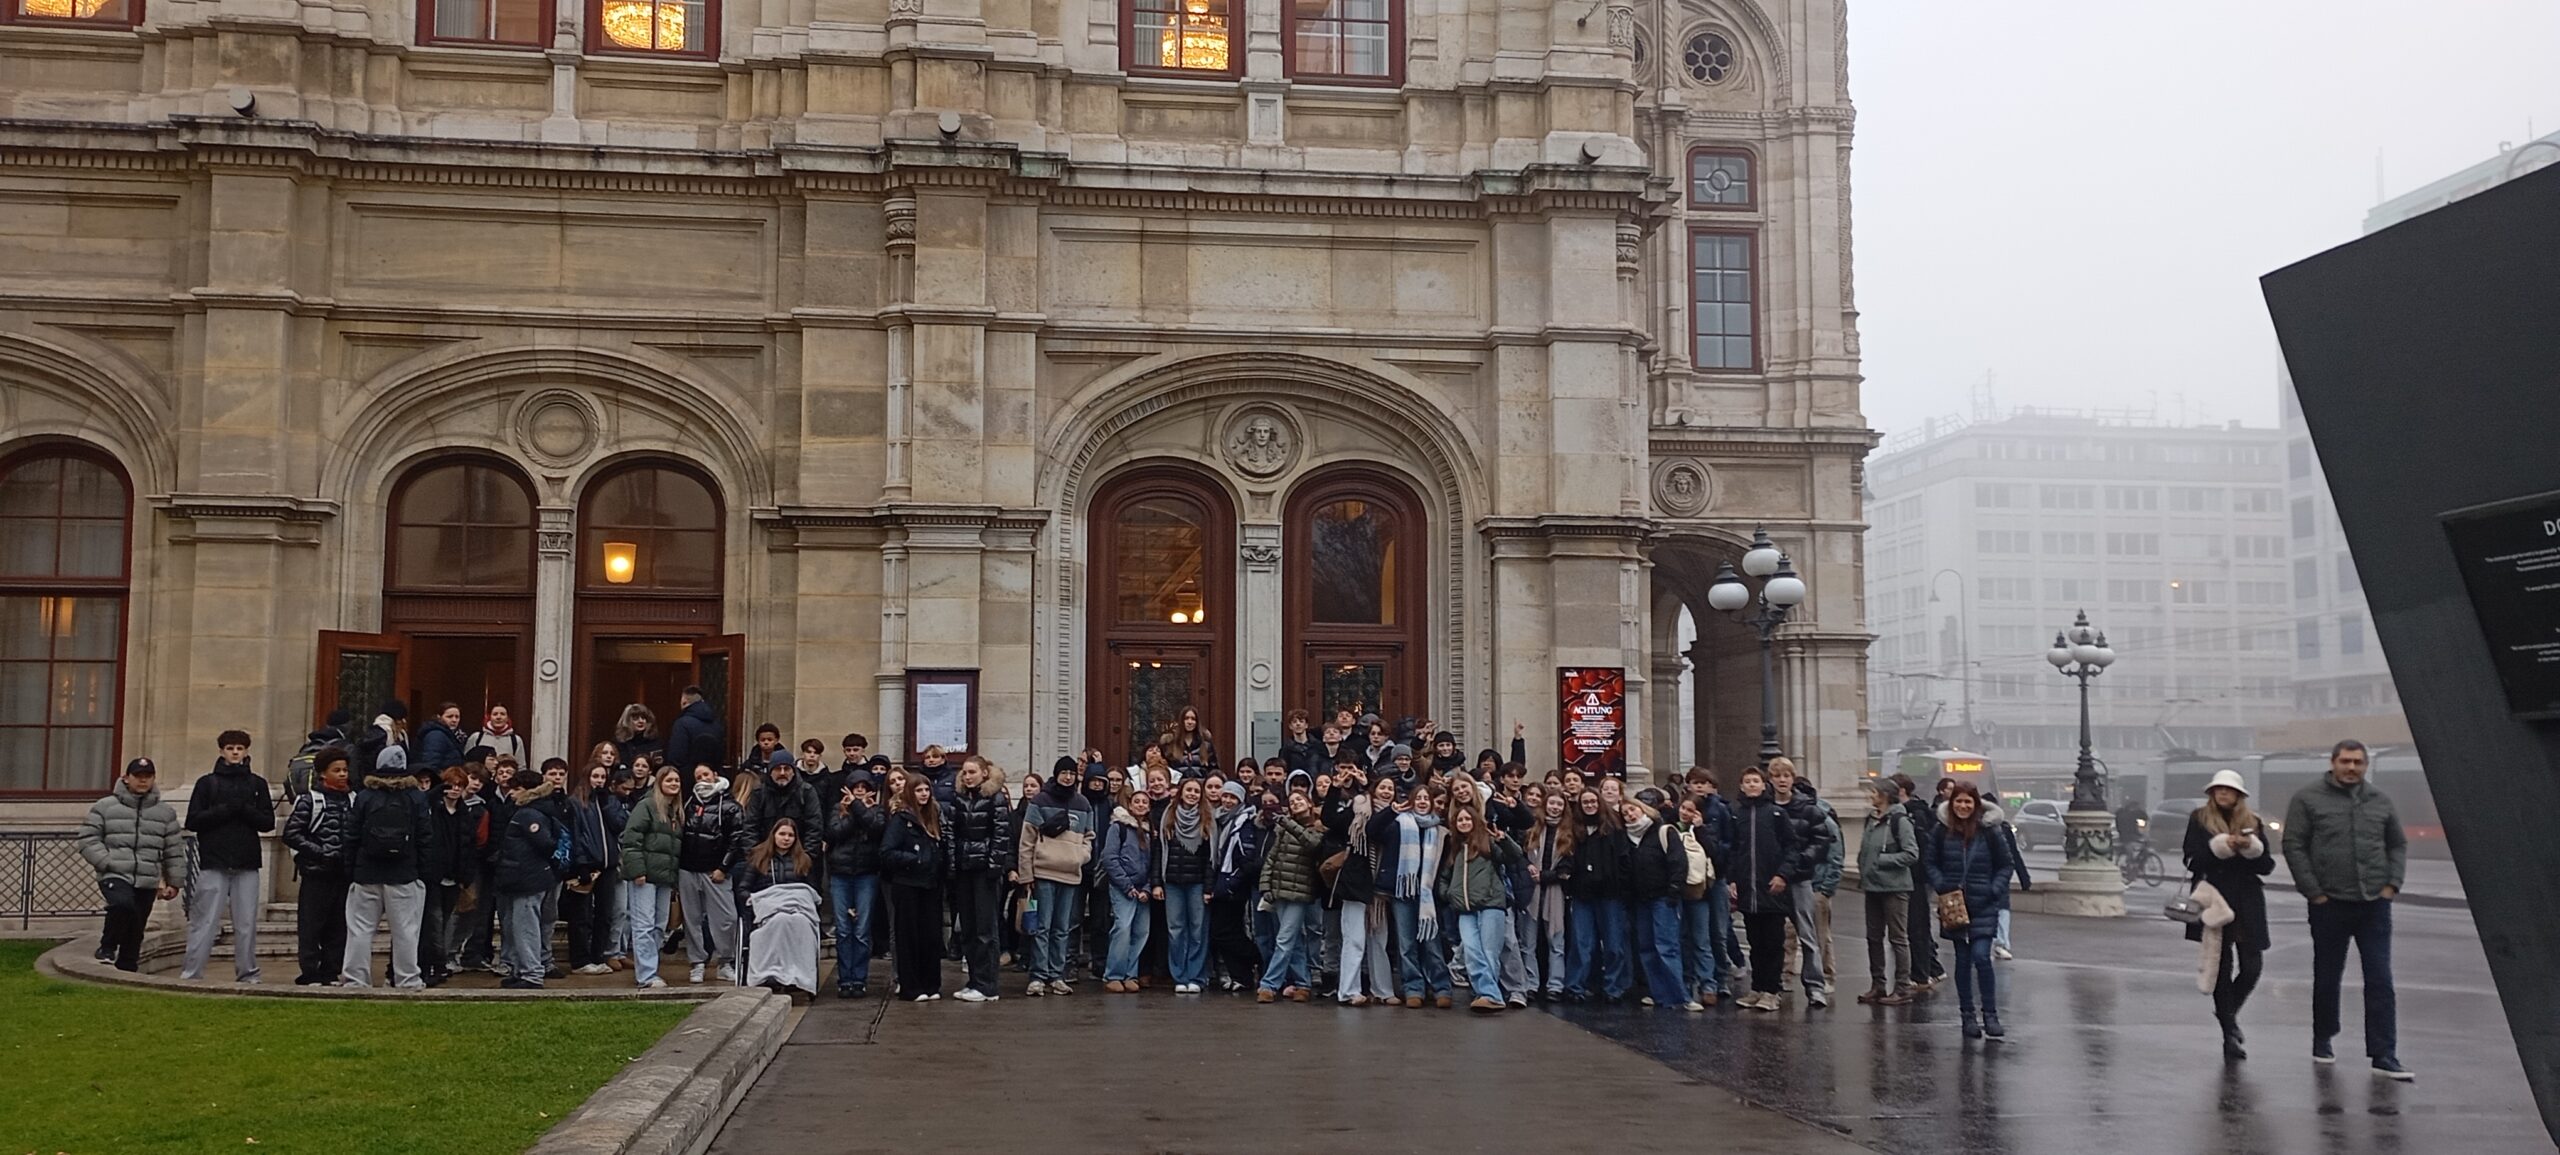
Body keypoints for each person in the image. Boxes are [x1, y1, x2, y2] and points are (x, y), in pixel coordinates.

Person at [2281, 739, 2411, 1079]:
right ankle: (2323, 1037)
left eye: (2358, 762)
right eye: (2345, 761)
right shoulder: (2307, 799)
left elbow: (2397, 844)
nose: (2351, 768)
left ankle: (2384, 1054)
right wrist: (2314, 892)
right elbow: (2293, 845)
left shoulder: (2380, 801)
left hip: (2374, 905)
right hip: (2329, 905)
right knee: (2328, 976)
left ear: (2366, 766)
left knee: (2380, 979)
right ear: (2333, 763)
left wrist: (2392, 885)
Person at [2185, 768, 2275, 1060]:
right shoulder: (2199, 819)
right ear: (2212, 793)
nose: (2223, 793)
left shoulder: (2253, 822)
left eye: (2229, 789)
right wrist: (2221, 847)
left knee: (2252, 967)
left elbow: (2267, 866)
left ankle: (2228, 1013)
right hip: (2214, 900)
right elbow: (2192, 859)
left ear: (2238, 795)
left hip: (2247, 901)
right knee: (2221, 968)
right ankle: (2229, 1035)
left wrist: (2250, 849)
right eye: (2218, 789)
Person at [77, 758, 188, 973]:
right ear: (126, 778)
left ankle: (128, 970)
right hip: (114, 873)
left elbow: (173, 849)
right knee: (122, 905)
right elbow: (88, 839)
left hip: (147, 877)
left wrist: (174, 882)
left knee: (136, 927)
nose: (143, 781)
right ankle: (107, 947)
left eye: (148, 776)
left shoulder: (165, 813)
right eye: (138, 776)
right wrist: (107, 862)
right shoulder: (105, 807)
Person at [182, 728, 272, 983]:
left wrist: (245, 810)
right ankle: (192, 973)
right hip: (214, 860)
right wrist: (223, 810)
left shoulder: (257, 784)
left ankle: (248, 973)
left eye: (239, 748)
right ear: (222, 751)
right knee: (205, 920)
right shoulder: (207, 783)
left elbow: (267, 822)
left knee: (246, 924)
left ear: (246, 751)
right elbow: (193, 820)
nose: (235, 753)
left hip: (246, 861)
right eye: (230, 748)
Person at [339, 745, 434, 989]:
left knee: (360, 930)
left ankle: (355, 979)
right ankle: (408, 979)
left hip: (367, 873)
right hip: (404, 873)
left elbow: (351, 835)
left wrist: (352, 870)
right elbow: (425, 838)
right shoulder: (415, 797)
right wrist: (422, 872)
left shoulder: (365, 796)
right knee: (406, 931)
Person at [1926, 780, 2013, 1040]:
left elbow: (2005, 864)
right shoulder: (1941, 831)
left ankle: (1990, 1015)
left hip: (1983, 904)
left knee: (1982, 957)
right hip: (1954, 906)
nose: (1963, 806)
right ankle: (1967, 1016)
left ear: (1976, 804)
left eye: (1968, 801)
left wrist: (1993, 890)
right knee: (1962, 961)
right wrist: (1942, 885)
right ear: (1951, 803)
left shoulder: (1990, 831)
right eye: (1959, 801)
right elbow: (1930, 862)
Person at [1018, 756, 1098, 996]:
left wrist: (1080, 856)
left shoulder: (1083, 803)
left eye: (1072, 773)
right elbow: (1027, 839)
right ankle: (1038, 976)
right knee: (1042, 926)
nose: (1068, 777)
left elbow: (1089, 836)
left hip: (1070, 873)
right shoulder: (1040, 800)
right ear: (1056, 774)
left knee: (1062, 928)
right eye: (1064, 772)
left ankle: (1057, 975)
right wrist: (1026, 874)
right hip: (1043, 871)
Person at [282, 746, 355, 984]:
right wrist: (321, 853)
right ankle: (310, 971)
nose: (342, 774)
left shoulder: (353, 800)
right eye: (337, 770)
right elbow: (292, 834)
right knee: (311, 926)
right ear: (323, 773)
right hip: (317, 874)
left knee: (339, 926)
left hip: (343, 874)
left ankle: (331, 970)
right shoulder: (310, 800)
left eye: (345, 770)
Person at [1439, 802, 1521, 1013]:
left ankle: (1488, 995)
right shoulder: (1454, 848)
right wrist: (1448, 894)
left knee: (1489, 952)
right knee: (1472, 951)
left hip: (1490, 905)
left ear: (1475, 821)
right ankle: (1488, 994)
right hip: (1465, 908)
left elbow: (1513, 856)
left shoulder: (1488, 842)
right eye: (1460, 820)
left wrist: (1503, 839)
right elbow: (1445, 877)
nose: (1464, 822)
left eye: (1468, 819)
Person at [1727, 766, 1796, 1011]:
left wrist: (1782, 875)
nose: (1752, 785)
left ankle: (1772, 990)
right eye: (1747, 781)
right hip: (1748, 888)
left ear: (1763, 785)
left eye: (1756, 781)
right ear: (1742, 786)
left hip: (1772, 887)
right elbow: (1734, 849)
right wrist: (1733, 879)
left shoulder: (1776, 814)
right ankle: (1757, 987)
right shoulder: (1737, 815)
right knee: (1755, 942)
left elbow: (1791, 847)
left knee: (1773, 942)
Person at [1766, 758, 1834, 1008]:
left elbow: (1822, 841)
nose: (1782, 780)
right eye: (1777, 776)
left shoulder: (1809, 809)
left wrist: (1799, 862)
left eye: (1786, 775)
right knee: (1771, 937)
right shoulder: (1765, 807)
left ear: (1793, 779)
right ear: (1770, 779)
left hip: (1799, 878)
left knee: (1807, 934)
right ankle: (1771, 985)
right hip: (1772, 879)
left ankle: (1815, 987)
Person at [494, 765, 569, 989]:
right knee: (518, 926)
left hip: (527, 878)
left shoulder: (529, 814)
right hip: (523, 877)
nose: (511, 793)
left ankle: (532, 973)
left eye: (515, 788)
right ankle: (521, 969)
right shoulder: (535, 811)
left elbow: (545, 843)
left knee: (526, 927)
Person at [946, 756, 1014, 1002]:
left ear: (984, 773)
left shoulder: (995, 798)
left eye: (972, 772)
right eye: (964, 772)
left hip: (985, 871)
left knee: (986, 930)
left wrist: (994, 867)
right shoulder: (959, 797)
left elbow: (1001, 835)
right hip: (965, 867)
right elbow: (951, 831)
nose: (967, 776)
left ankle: (988, 985)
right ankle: (974, 980)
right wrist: (953, 863)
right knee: (969, 929)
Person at [1621, 791, 1695, 1011]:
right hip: (1641, 900)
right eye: (1625, 813)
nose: (1630, 815)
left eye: (1632, 809)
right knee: (1647, 948)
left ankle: (1679, 996)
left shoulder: (1664, 831)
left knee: (1667, 947)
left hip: (1664, 898)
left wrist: (1674, 890)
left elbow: (1678, 862)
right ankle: (1659, 993)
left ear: (1643, 809)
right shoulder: (1628, 838)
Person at [1328, 772, 1395, 1006]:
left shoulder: (1396, 815)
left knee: (1379, 940)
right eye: (1382, 787)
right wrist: (1334, 789)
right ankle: (1348, 991)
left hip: (1380, 884)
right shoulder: (1359, 809)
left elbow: (1380, 833)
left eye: (1390, 789)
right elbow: (1330, 820)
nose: (1386, 792)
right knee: (1354, 938)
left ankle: (1382, 990)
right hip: (1356, 881)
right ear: (1373, 790)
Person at [880, 774, 948, 1001]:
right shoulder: (901, 819)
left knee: (931, 936)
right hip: (907, 884)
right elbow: (887, 852)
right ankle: (911, 987)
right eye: (919, 790)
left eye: (926, 790)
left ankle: (931, 984)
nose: (924, 794)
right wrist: (914, 859)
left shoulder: (934, 816)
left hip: (931, 884)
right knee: (908, 936)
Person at [736, 816, 822, 996]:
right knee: (779, 921)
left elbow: (812, 891)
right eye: (782, 834)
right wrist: (754, 900)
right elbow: (743, 889)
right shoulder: (758, 858)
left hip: (798, 908)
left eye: (790, 835)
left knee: (800, 923)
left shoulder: (804, 860)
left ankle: (798, 977)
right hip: (769, 909)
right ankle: (771, 974)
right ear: (773, 835)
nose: (786, 838)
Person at [681, 764, 749, 985]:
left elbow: (736, 839)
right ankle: (697, 963)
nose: (703, 779)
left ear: (715, 776)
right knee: (692, 920)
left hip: (716, 871)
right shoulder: (689, 803)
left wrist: (723, 867)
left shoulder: (731, 806)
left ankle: (725, 962)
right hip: (688, 869)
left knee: (727, 918)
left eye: (706, 774)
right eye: (698, 776)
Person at [619, 765, 685, 989]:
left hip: (664, 877)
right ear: (659, 783)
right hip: (645, 876)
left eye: (676, 781)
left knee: (659, 925)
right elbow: (631, 839)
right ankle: (646, 975)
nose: (674, 784)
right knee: (644, 925)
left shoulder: (675, 811)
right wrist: (638, 870)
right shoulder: (646, 806)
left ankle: (651, 968)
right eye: (669, 780)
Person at [1255, 790, 1325, 1003]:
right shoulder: (1284, 828)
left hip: (1300, 892)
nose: (1295, 803)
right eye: (1292, 801)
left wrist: (1287, 823)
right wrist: (1265, 884)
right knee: (1293, 940)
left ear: (1309, 803)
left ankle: (1269, 984)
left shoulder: (1318, 826)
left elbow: (1312, 844)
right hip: (1279, 889)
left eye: (1299, 800)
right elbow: (1272, 857)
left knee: (1284, 939)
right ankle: (1303, 984)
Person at [1854, 779, 1917, 1006]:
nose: (1871, 795)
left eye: (1874, 792)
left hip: (1895, 888)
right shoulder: (1871, 820)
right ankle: (1878, 984)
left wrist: (1882, 860)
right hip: (1872, 886)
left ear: (1885, 795)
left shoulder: (1900, 821)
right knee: (1873, 937)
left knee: (1898, 938)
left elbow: (1911, 853)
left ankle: (1902, 988)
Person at [1562, 788, 1628, 1003]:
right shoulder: (1575, 830)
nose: (1590, 805)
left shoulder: (1614, 828)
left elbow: (1623, 859)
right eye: (1585, 802)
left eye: (1593, 801)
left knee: (1614, 945)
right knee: (1581, 943)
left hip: (1610, 894)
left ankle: (1613, 987)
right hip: (1583, 894)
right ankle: (1575, 986)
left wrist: (1620, 885)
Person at [825, 774, 887, 998]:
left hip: (866, 874)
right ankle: (845, 979)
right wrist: (854, 810)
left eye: (864, 787)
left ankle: (859, 979)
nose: (859, 790)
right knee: (843, 930)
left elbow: (877, 829)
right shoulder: (837, 809)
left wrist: (859, 808)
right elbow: (835, 833)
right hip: (840, 874)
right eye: (855, 787)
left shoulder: (877, 810)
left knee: (861, 930)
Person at [562, 761, 623, 976]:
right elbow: (575, 834)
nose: (599, 781)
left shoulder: (610, 801)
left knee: (605, 914)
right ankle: (580, 960)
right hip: (587, 865)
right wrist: (581, 864)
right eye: (595, 777)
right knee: (582, 915)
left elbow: (620, 825)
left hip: (608, 865)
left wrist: (607, 804)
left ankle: (598, 956)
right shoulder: (576, 802)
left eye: (603, 777)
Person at [1154, 776, 1214, 994]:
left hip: (1197, 884)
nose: (1192, 794)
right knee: (1175, 931)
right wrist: (1157, 883)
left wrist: (1208, 888)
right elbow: (1159, 851)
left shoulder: (1207, 819)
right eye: (1189, 790)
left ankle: (1196, 976)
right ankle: (1179, 976)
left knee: (1198, 931)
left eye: (1196, 791)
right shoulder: (1168, 816)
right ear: (1181, 793)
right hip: (1172, 883)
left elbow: (1211, 858)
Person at [1206, 780, 1267, 992]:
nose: (1228, 801)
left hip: (1233, 885)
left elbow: (1245, 858)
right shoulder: (1218, 819)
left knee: (1223, 932)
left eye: (1233, 797)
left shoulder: (1244, 822)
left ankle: (1258, 957)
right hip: (1221, 882)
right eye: (1226, 796)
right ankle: (1241, 977)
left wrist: (1233, 881)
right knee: (1227, 931)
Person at [1099, 788, 1159, 993]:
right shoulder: (1118, 827)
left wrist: (1147, 888)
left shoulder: (1151, 831)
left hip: (1143, 890)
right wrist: (1127, 886)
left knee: (1141, 932)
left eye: (1145, 802)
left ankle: (1130, 974)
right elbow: (1110, 858)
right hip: (1123, 888)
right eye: (1137, 801)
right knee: (1122, 928)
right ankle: (1113, 974)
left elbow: (1154, 863)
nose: (1141, 805)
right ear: (1130, 805)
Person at [1897, 773, 1945, 992]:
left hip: (1915, 878)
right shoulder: (1918, 812)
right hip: (1918, 877)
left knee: (1916, 927)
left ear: (1901, 790)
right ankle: (1931, 969)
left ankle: (1923, 973)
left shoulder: (1913, 815)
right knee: (1917, 927)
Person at [1524, 787, 1572, 1000]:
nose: (1555, 807)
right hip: (1531, 892)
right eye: (1552, 803)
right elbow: (1522, 855)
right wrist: (1530, 869)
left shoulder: (1569, 833)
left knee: (1556, 941)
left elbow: (1568, 867)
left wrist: (1544, 876)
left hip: (1555, 891)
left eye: (1559, 804)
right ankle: (1531, 983)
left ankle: (1555, 985)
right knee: (1528, 942)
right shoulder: (1533, 829)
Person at [664, 686, 726, 784]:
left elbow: (676, 757)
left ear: (684, 702)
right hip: (712, 779)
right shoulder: (717, 724)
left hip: (688, 780)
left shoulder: (682, 724)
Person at [468, 705, 528, 770]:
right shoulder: (476, 737)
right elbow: (467, 763)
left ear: (507, 718)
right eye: (495, 714)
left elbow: (521, 767)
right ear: (489, 717)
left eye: (502, 714)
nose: (498, 717)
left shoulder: (516, 740)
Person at [416, 702, 468, 776]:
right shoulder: (436, 735)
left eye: (457, 717)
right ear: (439, 717)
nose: (454, 720)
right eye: (449, 716)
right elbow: (431, 763)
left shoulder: (453, 735)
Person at [613, 703, 663, 768]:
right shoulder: (619, 742)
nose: (641, 721)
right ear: (627, 721)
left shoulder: (655, 741)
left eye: (643, 718)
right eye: (636, 718)